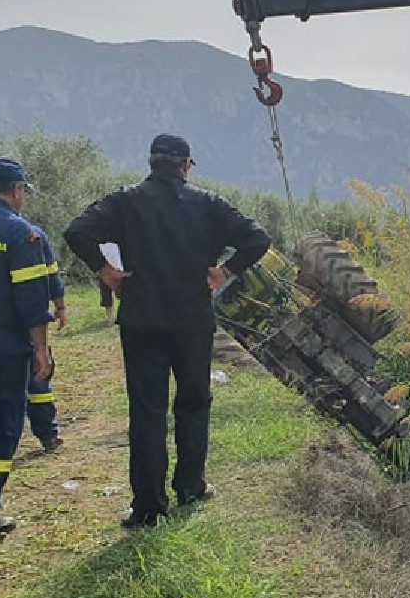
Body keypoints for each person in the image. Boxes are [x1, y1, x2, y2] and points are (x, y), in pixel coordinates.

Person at [64, 134, 271, 528]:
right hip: (192, 321)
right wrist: (225, 271)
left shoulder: (125, 201)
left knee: (147, 411)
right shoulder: (210, 205)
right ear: (186, 166)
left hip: (141, 320)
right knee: (194, 402)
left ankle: (147, 507)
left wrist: (106, 272)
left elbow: (77, 231)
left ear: (150, 163)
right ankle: (191, 486)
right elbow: (258, 238)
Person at [0, 158, 57, 540]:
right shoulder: (19, 233)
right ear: (16, 191)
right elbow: (31, 301)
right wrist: (41, 350)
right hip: (1, 351)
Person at [25, 230, 67, 451]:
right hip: (24, 320)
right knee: (39, 374)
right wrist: (60, 306)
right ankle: (48, 433)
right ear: (16, 193)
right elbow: (52, 276)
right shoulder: (30, 234)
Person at [98, 242, 121, 322]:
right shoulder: (100, 240)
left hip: (119, 268)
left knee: (122, 293)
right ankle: (110, 318)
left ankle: (121, 315)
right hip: (104, 270)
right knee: (106, 294)